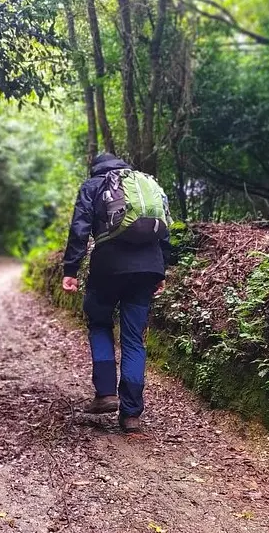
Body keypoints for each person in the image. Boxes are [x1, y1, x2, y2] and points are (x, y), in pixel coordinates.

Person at [62, 153, 175, 432]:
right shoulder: (143, 185)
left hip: (108, 267)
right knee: (134, 339)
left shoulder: (93, 185)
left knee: (100, 323)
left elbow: (80, 229)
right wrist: (161, 271)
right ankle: (131, 414)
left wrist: (70, 270)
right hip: (148, 267)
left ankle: (105, 393)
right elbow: (164, 230)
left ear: (95, 168)